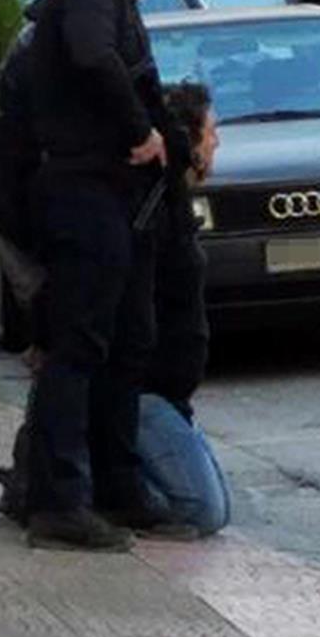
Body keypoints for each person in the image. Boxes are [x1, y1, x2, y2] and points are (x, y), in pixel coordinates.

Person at [8, 0, 191, 552]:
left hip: (120, 196)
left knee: (127, 342)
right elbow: (92, 55)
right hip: (84, 190)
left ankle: (118, 488)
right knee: (81, 344)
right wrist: (139, 131)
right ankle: (58, 500)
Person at [138, 81, 230, 538]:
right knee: (202, 511)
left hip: (171, 397)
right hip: (145, 394)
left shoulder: (176, 204)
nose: (217, 143)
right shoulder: (157, 209)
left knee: (220, 507)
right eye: (210, 132)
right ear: (189, 142)